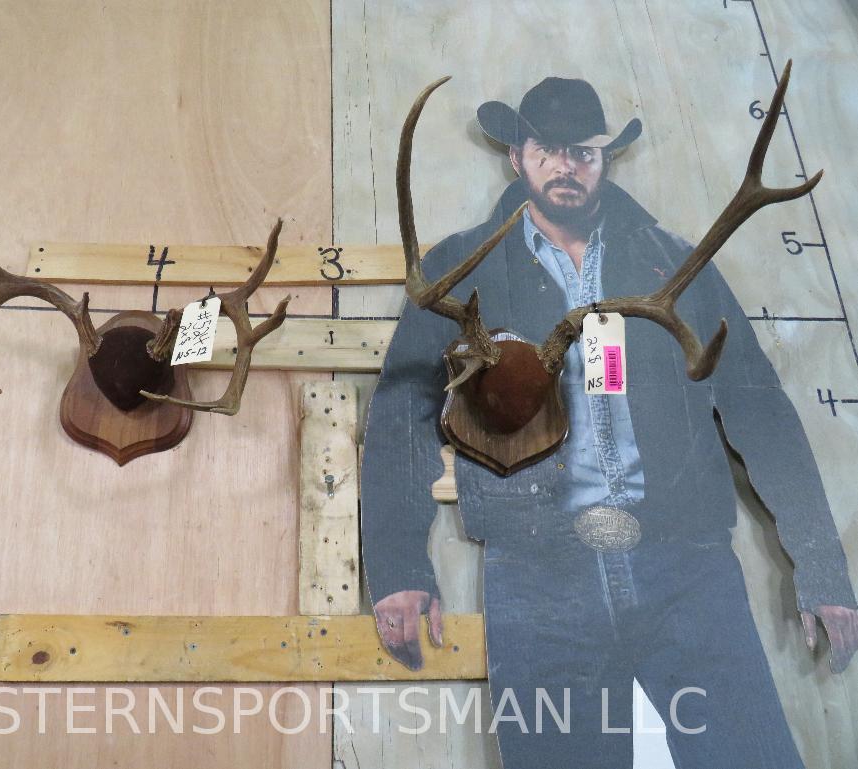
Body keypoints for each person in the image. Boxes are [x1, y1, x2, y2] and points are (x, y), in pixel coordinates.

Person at [360, 76, 858, 768]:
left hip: (686, 565)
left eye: (583, 152)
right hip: (537, 571)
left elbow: (757, 405)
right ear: (516, 156)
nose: (565, 165)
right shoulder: (458, 268)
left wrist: (822, 564)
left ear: (605, 159)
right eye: (548, 149)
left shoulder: (677, 262)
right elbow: (399, 413)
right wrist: (397, 566)